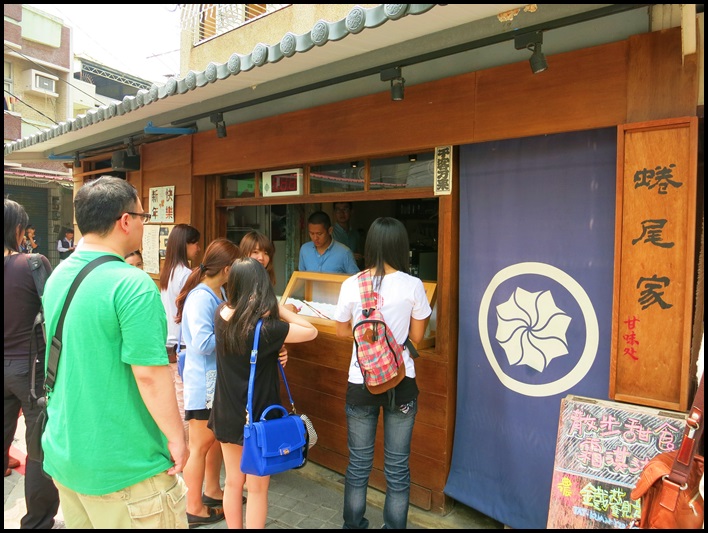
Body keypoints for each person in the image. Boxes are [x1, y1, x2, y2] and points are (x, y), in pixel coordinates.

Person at [40, 176, 189, 528]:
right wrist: (177, 438)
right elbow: (149, 374)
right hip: (126, 466)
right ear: (125, 221)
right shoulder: (131, 283)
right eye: (143, 216)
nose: (143, 223)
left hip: (67, 454)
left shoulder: (58, 274)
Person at [333, 217, 432, 529]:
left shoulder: (352, 284)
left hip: (361, 381)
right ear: (401, 246)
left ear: (371, 245)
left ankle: (353, 525)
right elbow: (417, 337)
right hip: (401, 381)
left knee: (358, 465)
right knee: (397, 468)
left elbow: (340, 331)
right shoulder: (413, 285)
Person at [209, 257, 319, 528]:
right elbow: (311, 331)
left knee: (232, 482)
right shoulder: (266, 329)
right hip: (258, 415)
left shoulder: (221, 314)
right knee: (257, 488)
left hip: (226, 409)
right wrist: (279, 307)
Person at [174, 238, 240, 527]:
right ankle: (193, 508)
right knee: (199, 447)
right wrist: (236, 335)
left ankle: (211, 492)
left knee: (210, 442)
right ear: (226, 269)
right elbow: (202, 343)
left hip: (212, 381)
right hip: (203, 383)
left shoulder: (217, 291)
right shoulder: (202, 297)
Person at [4, 199, 61, 529]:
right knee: (38, 445)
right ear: (16, 230)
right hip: (31, 370)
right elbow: (54, 311)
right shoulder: (33, 264)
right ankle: (37, 522)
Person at [159, 223, 201, 432]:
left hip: (167, 343)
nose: (198, 248)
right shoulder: (186, 274)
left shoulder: (168, 271)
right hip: (181, 345)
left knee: (173, 399)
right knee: (183, 400)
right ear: (185, 245)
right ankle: (184, 446)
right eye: (195, 243)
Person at [239, 230, 298, 313]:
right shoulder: (240, 279)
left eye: (266, 253)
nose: (261, 257)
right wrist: (281, 309)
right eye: (255, 252)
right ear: (244, 253)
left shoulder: (263, 278)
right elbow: (250, 312)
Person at [332, 201, 363, 266]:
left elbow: (359, 256)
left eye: (345, 209)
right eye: (338, 210)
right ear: (334, 213)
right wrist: (349, 256)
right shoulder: (330, 233)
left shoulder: (355, 234)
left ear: (351, 211)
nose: (341, 213)